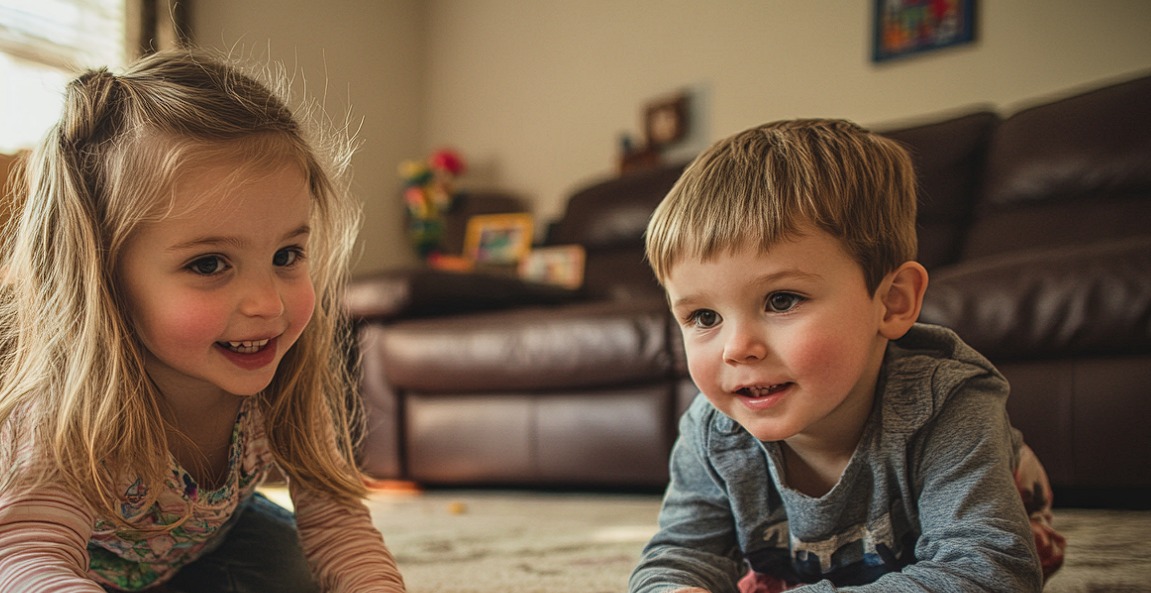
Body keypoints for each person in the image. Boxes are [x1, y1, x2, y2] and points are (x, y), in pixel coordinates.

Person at [0, 49, 406, 592]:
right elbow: (26, 557)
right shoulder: (65, 410)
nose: (268, 304)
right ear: (104, 279)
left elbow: (338, 524)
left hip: (206, 547)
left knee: (295, 565)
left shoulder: (283, 381)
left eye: (286, 256)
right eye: (209, 264)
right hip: (65, 566)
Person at [629, 119, 1064, 593]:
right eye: (704, 317)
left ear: (892, 301)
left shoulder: (948, 404)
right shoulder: (712, 431)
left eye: (781, 300)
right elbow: (680, 554)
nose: (736, 348)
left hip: (994, 506)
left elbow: (988, 570)